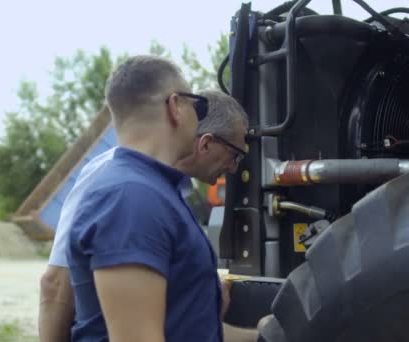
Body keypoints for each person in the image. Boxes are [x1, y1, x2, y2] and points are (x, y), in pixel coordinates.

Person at [39, 88, 252, 341]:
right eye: (235, 155)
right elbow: (55, 285)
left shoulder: (173, 188)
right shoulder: (122, 185)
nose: (234, 167)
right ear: (205, 143)